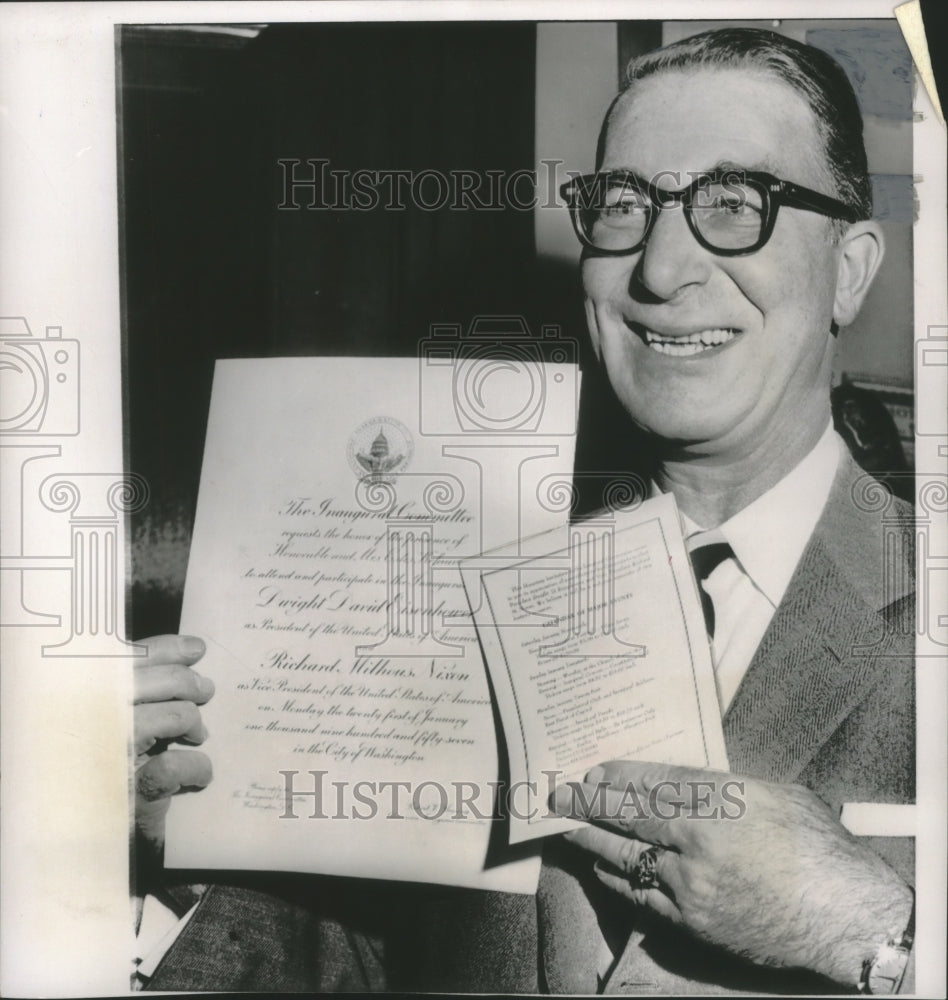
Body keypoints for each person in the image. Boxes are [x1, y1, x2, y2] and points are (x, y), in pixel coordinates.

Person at [133, 27, 916, 994]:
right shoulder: (459, 575)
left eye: (732, 203)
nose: (662, 271)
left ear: (849, 268)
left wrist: (882, 931)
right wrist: (180, 847)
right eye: (625, 205)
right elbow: (349, 949)